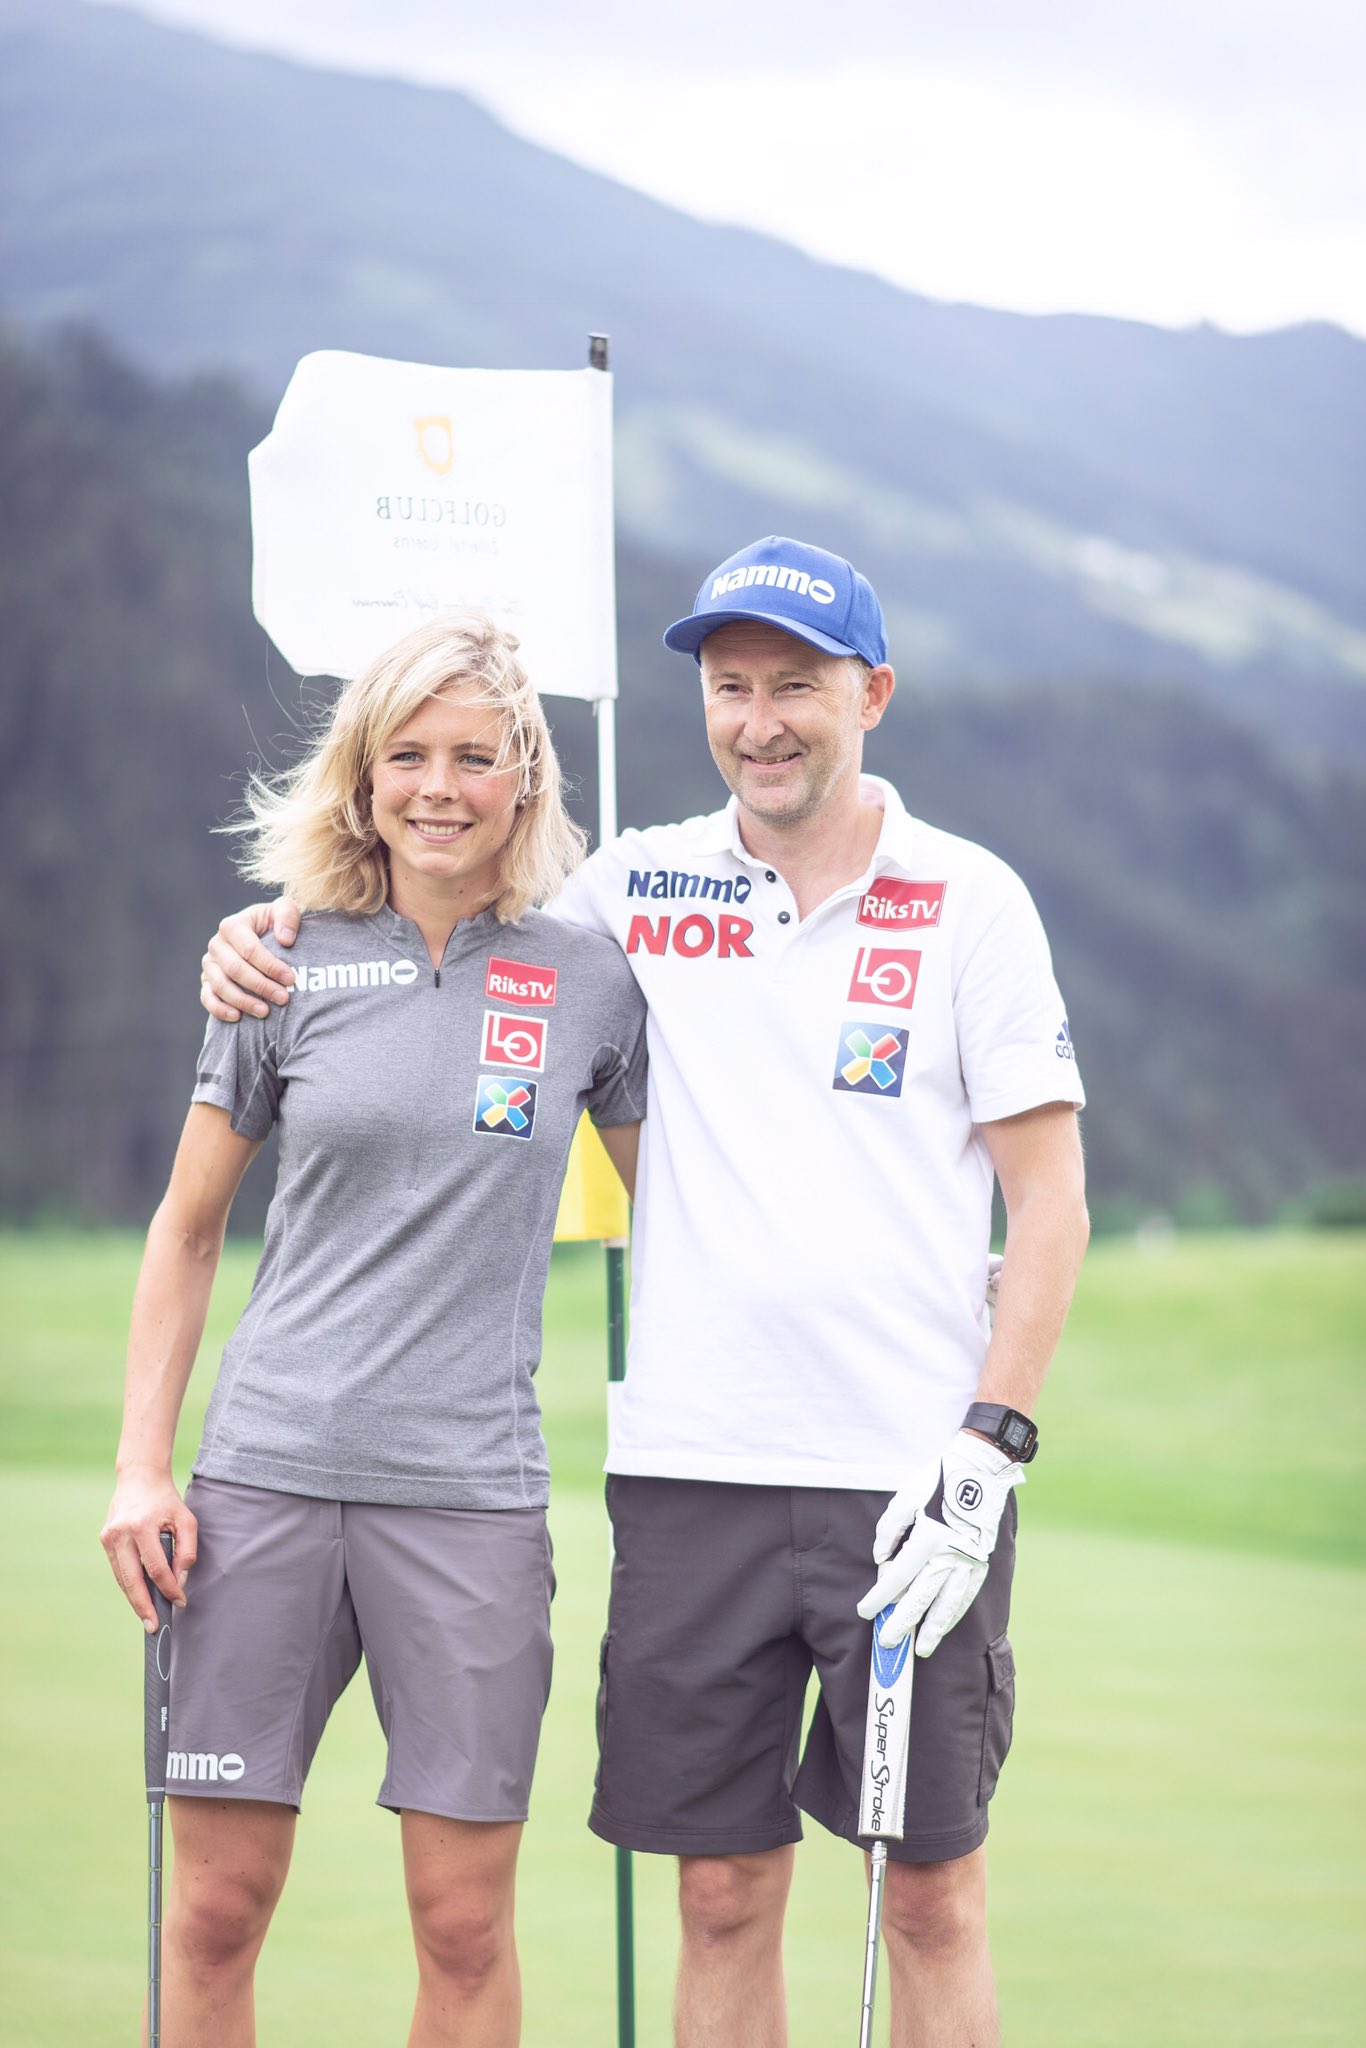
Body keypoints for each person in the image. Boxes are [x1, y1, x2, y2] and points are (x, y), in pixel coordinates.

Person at [202, 537, 1090, 2048]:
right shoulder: (627, 889)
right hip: (690, 1470)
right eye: (731, 687)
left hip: (911, 1481)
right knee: (720, 1896)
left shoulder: (970, 901)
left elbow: (1051, 1198)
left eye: (795, 686)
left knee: (931, 1897)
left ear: (870, 694)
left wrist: (989, 1446)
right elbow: (443, 910)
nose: (760, 720)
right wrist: (267, 930)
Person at [102, 611, 648, 2048]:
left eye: (475, 756)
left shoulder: (592, 981)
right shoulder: (276, 961)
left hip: (470, 1500)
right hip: (261, 1484)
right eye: (406, 755)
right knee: (214, 1912)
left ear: (526, 780)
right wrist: (141, 1468)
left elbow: (688, 1214)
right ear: (361, 776)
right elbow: (187, 1228)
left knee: (463, 1926)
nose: (438, 787)